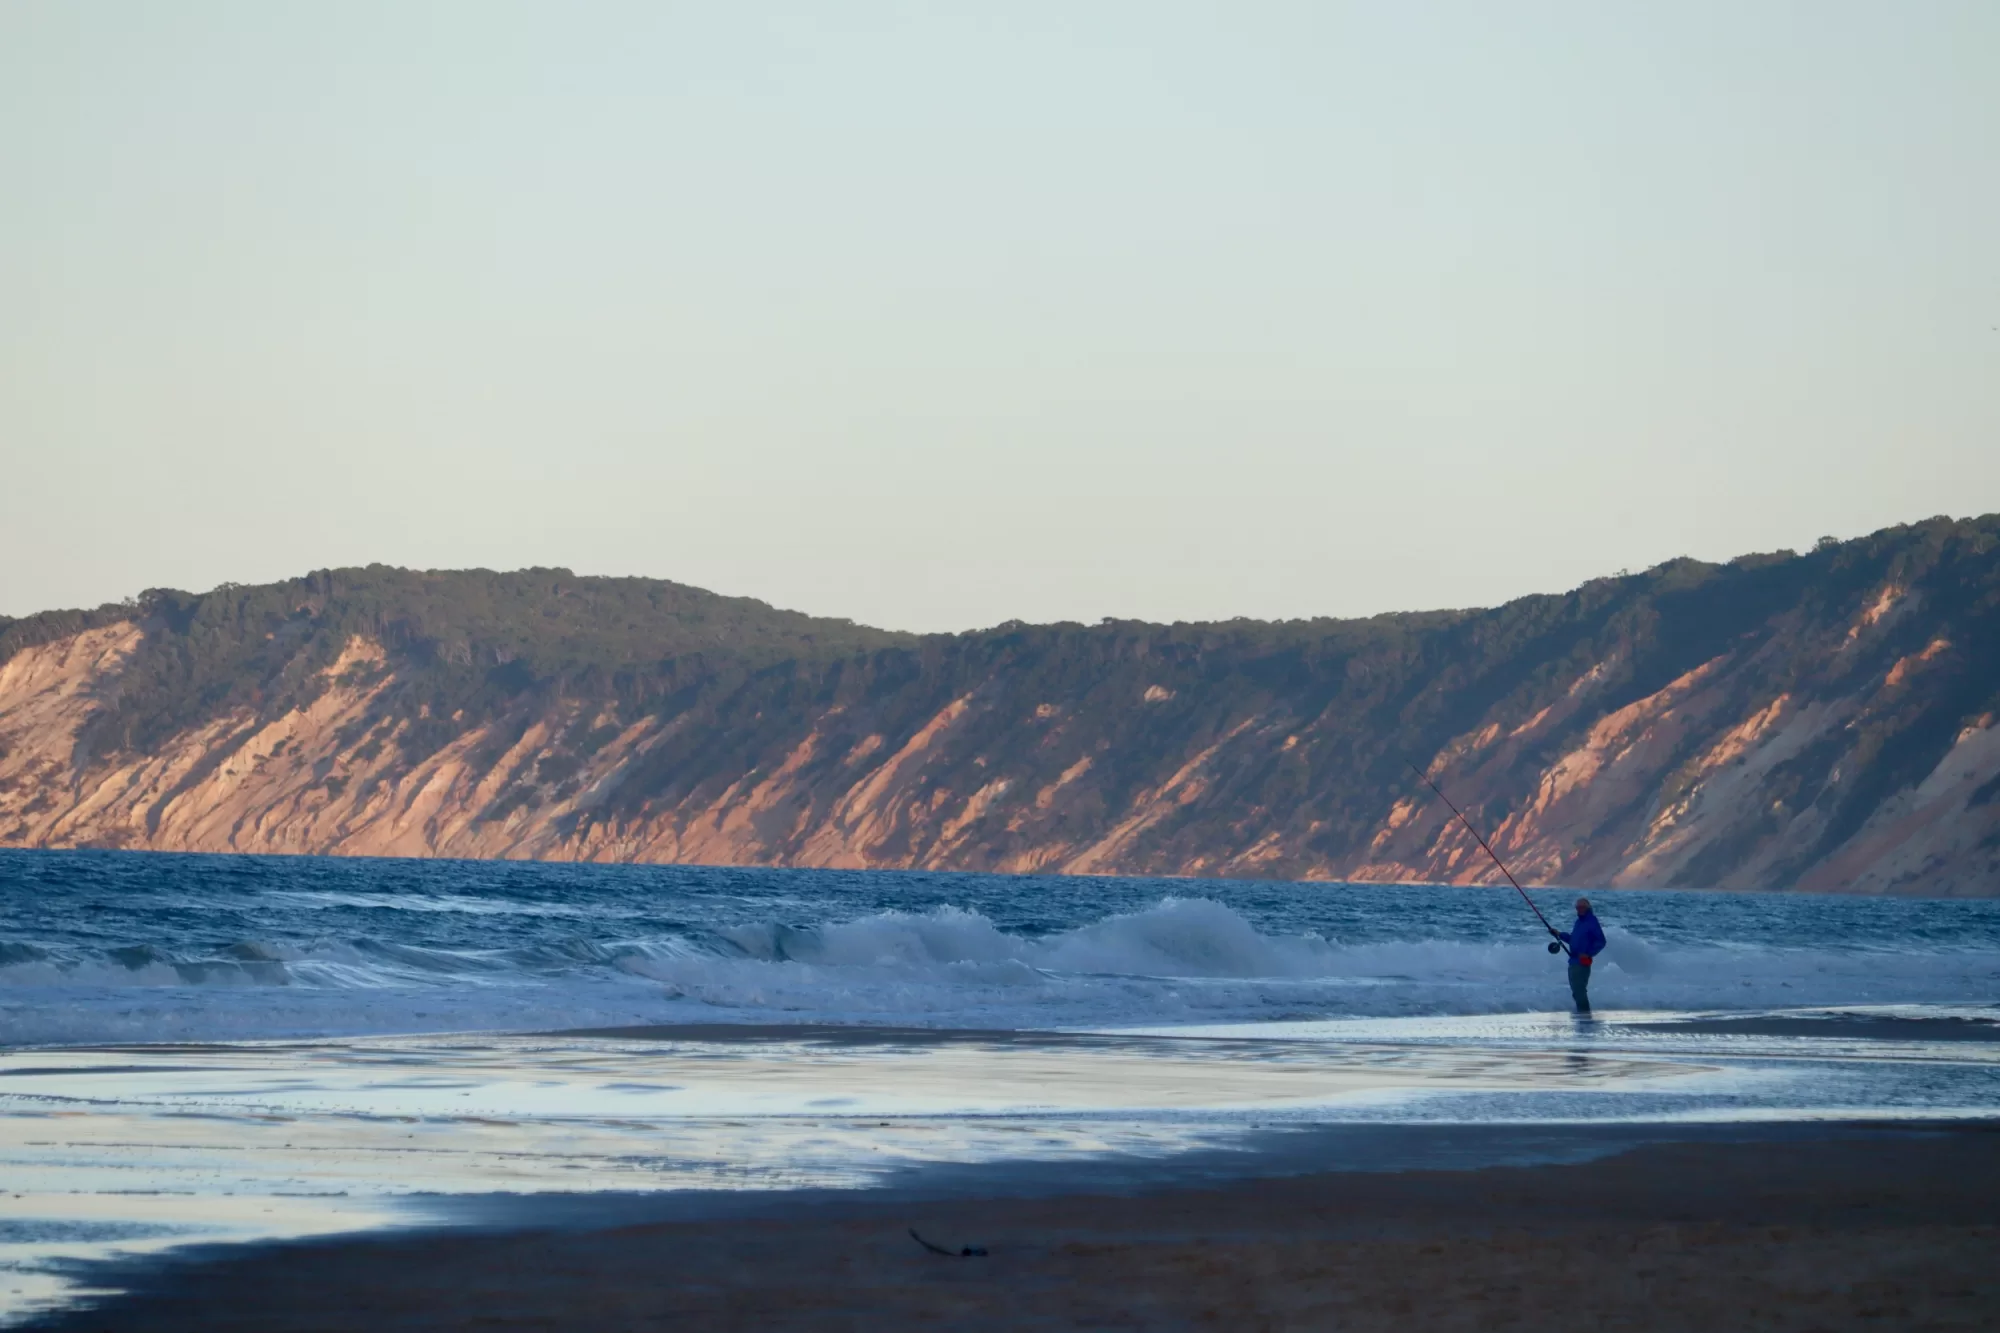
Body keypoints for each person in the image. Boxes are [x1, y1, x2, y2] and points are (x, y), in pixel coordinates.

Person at [1557, 897, 1607, 1013]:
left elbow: (1601, 941)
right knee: (1576, 991)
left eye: (1582, 907)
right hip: (1573, 962)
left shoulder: (1591, 921)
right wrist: (1559, 934)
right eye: (1577, 907)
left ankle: (1585, 1015)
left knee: (1579, 991)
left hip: (1582, 963)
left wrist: (1588, 953)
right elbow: (1573, 939)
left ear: (1588, 908)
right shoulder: (1579, 922)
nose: (1579, 909)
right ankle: (1582, 1013)